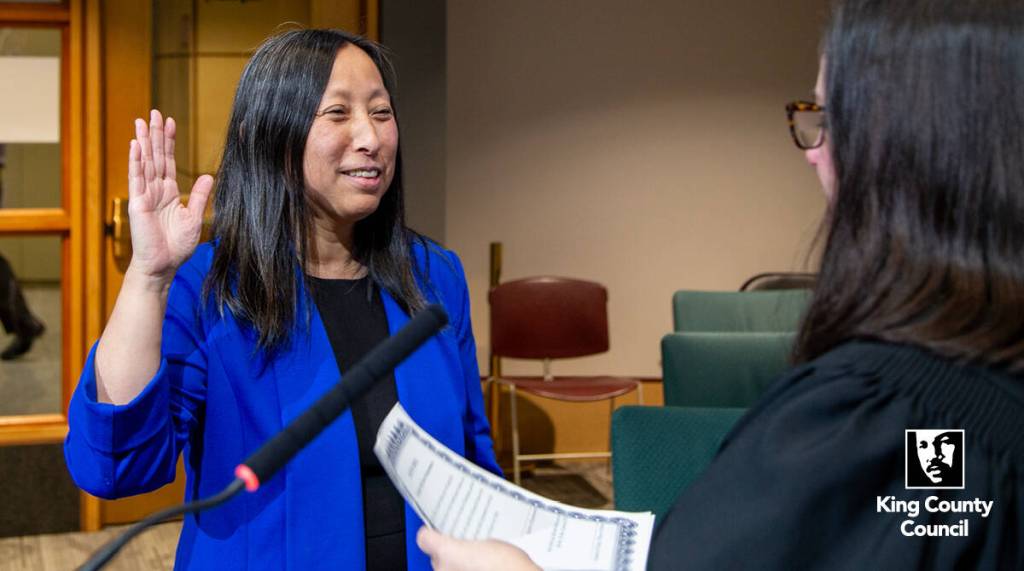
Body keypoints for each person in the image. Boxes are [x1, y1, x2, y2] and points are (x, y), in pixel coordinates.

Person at [418, 0, 1024, 568]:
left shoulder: (880, 415)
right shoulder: (970, 394)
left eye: (828, 117)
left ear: (908, 141)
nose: (812, 152)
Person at [63, 29, 499, 570]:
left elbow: (473, 463)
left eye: (381, 112)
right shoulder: (210, 287)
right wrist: (148, 277)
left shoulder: (435, 276)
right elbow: (118, 469)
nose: (370, 136)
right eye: (338, 113)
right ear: (269, 136)